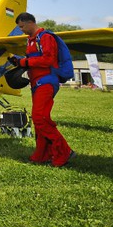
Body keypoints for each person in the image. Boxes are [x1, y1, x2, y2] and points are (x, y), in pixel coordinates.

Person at [9, 12, 75, 167]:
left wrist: (24, 62)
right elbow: (34, 60)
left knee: (40, 118)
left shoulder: (45, 37)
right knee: (38, 120)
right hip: (36, 83)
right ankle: (42, 154)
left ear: (30, 22)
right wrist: (18, 61)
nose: (21, 30)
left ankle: (64, 151)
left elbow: (48, 59)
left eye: (22, 26)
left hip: (46, 81)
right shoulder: (30, 40)